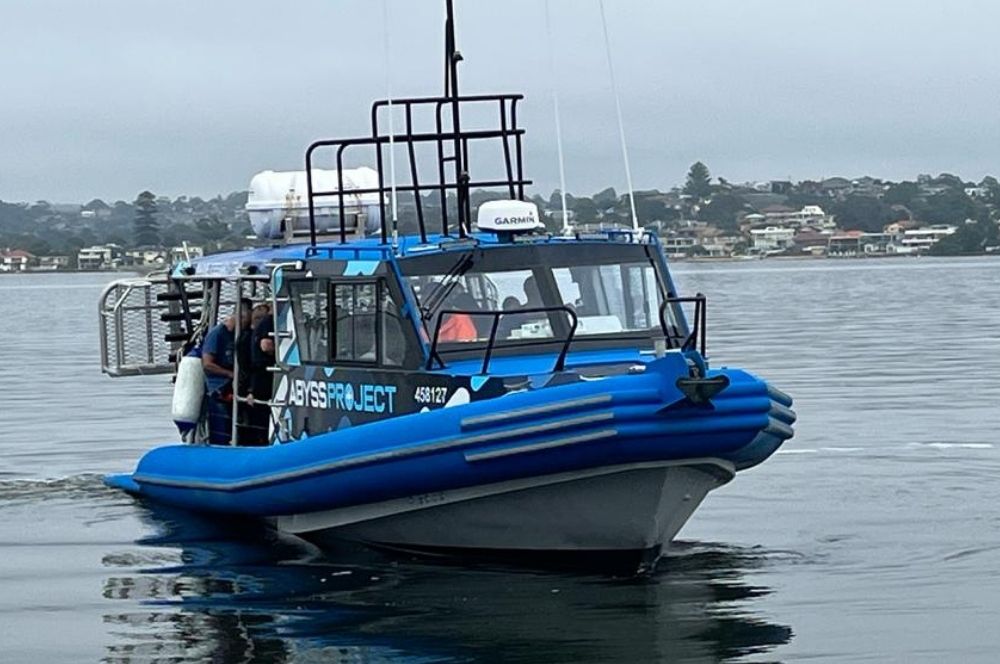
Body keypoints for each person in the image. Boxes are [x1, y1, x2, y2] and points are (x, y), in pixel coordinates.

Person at [202, 298, 253, 444]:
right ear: (239, 317)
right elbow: (207, 364)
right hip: (219, 388)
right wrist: (230, 374)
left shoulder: (243, 335)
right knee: (222, 430)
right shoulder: (217, 334)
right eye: (245, 322)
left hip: (237, 385)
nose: (247, 327)